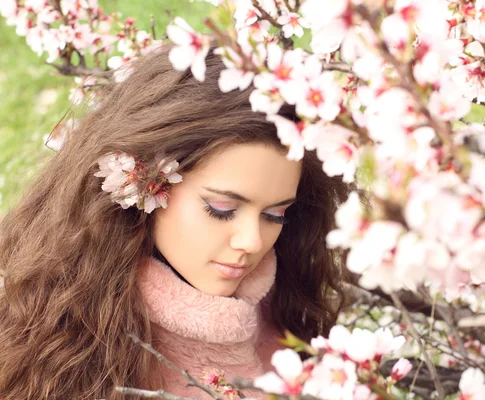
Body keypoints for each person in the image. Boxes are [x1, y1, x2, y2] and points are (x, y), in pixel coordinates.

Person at [0, 46, 352, 399]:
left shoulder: (285, 298)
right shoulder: (58, 333)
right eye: (221, 209)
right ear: (146, 184)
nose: (252, 242)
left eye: (275, 214)